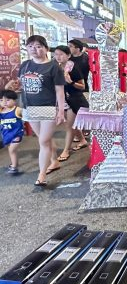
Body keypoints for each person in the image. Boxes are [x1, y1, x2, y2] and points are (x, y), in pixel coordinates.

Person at [18, 35, 65, 187]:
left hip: (47, 107)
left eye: (38, 46)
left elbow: (59, 91)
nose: (34, 49)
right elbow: (21, 85)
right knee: (44, 138)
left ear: (46, 48)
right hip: (29, 107)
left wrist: (61, 111)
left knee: (43, 141)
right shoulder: (25, 65)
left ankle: (42, 175)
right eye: (30, 46)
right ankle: (54, 161)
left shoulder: (53, 67)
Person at [53, 46, 89, 162]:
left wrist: (71, 82)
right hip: (62, 100)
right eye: (56, 54)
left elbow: (82, 86)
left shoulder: (73, 68)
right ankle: (83, 140)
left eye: (61, 54)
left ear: (68, 55)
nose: (58, 56)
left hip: (74, 100)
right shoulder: (55, 68)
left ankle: (66, 151)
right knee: (71, 124)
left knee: (69, 126)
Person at [0, 89, 24, 174]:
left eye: (8, 100)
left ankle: (14, 167)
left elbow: (27, 114)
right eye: (1, 100)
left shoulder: (17, 110)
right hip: (7, 135)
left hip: (17, 134)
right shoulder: (1, 111)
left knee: (12, 150)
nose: (4, 102)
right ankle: (15, 164)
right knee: (11, 150)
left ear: (14, 101)